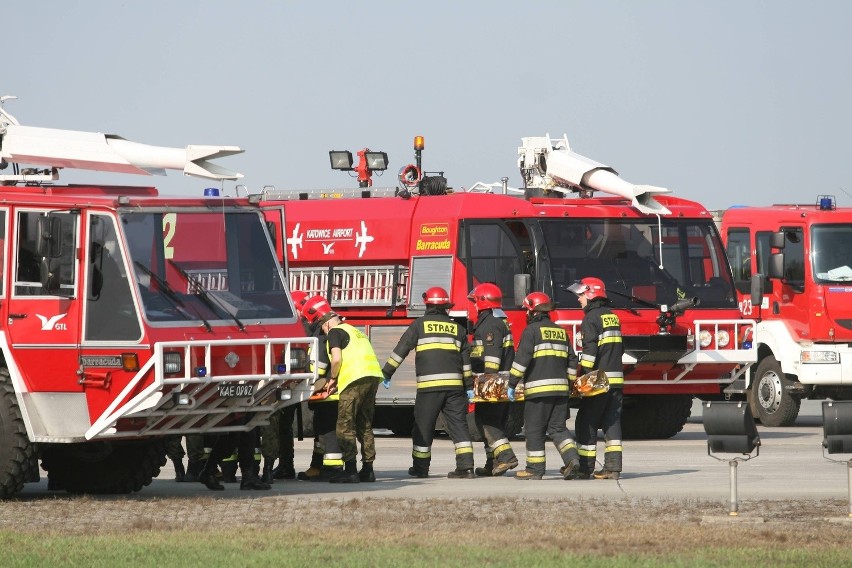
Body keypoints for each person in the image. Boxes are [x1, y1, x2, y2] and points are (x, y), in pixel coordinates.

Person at [382, 286, 476, 479]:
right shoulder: (458, 330)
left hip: (429, 389)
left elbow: (401, 350)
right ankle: (466, 468)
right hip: (455, 389)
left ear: (427, 305)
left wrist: (387, 373)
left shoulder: (419, 325)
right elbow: (466, 365)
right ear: (446, 307)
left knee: (423, 427)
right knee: (459, 426)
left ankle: (421, 468)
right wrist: (468, 388)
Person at [507, 292, 581, 480]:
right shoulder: (561, 332)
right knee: (558, 428)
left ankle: (534, 469)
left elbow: (521, 360)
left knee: (534, 429)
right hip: (561, 392)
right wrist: (570, 383)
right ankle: (572, 459)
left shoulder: (531, 331)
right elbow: (572, 359)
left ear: (532, 311)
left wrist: (512, 383)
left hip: (539, 391)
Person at [316, 302, 383, 483]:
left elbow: (337, 359)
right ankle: (368, 470)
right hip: (372, 378)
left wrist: (333, 378)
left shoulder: (334, 332)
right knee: (365, 424)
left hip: (353, 381)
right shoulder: (356, 331)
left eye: (322, 328)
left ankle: (351, 470)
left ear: (328, 323)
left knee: (345, 425)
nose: (324, 333)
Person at [567, 277, 625, 480]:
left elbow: (590, 352)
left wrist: (583, 376)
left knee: (586, 422)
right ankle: (613, 468)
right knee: (612, 422)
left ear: (590, 294)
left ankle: (585, 467)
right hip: (616, 380)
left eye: (581, 295)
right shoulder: (612, 317)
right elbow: (620, 348)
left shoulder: (591, 318)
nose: (579, 300)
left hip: (599, 382)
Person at [467, 283, 519, 477]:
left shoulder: (490, 324)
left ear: (482, 301)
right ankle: (492, 462)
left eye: (475, 301)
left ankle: (506, 457)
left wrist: (486, 383)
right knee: (487, 421)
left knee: (488, 421)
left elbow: (492, 358)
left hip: (493, 381)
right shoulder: (497, 320)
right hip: (498, 380)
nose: (473, 305)